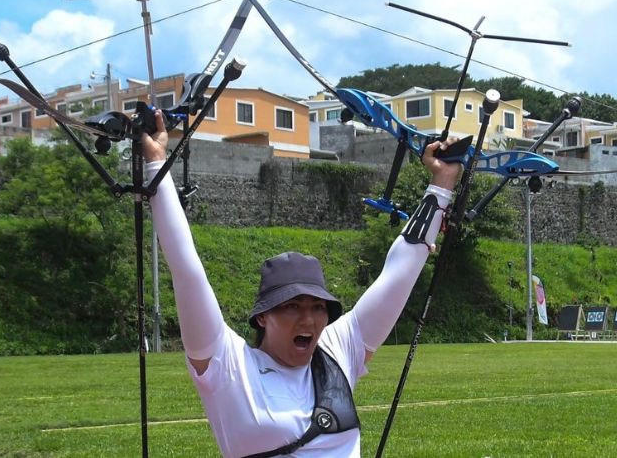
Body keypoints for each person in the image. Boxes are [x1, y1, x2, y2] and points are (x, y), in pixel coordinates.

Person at [143, 110, 461, 458]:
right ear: (263, 316)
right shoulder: (227, 364)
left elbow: (399, 272)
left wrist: (441, 184)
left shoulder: (339, 350)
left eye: (317, 307)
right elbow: (187, 269)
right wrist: (156, 163)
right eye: (292, 306)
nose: (308, 320)